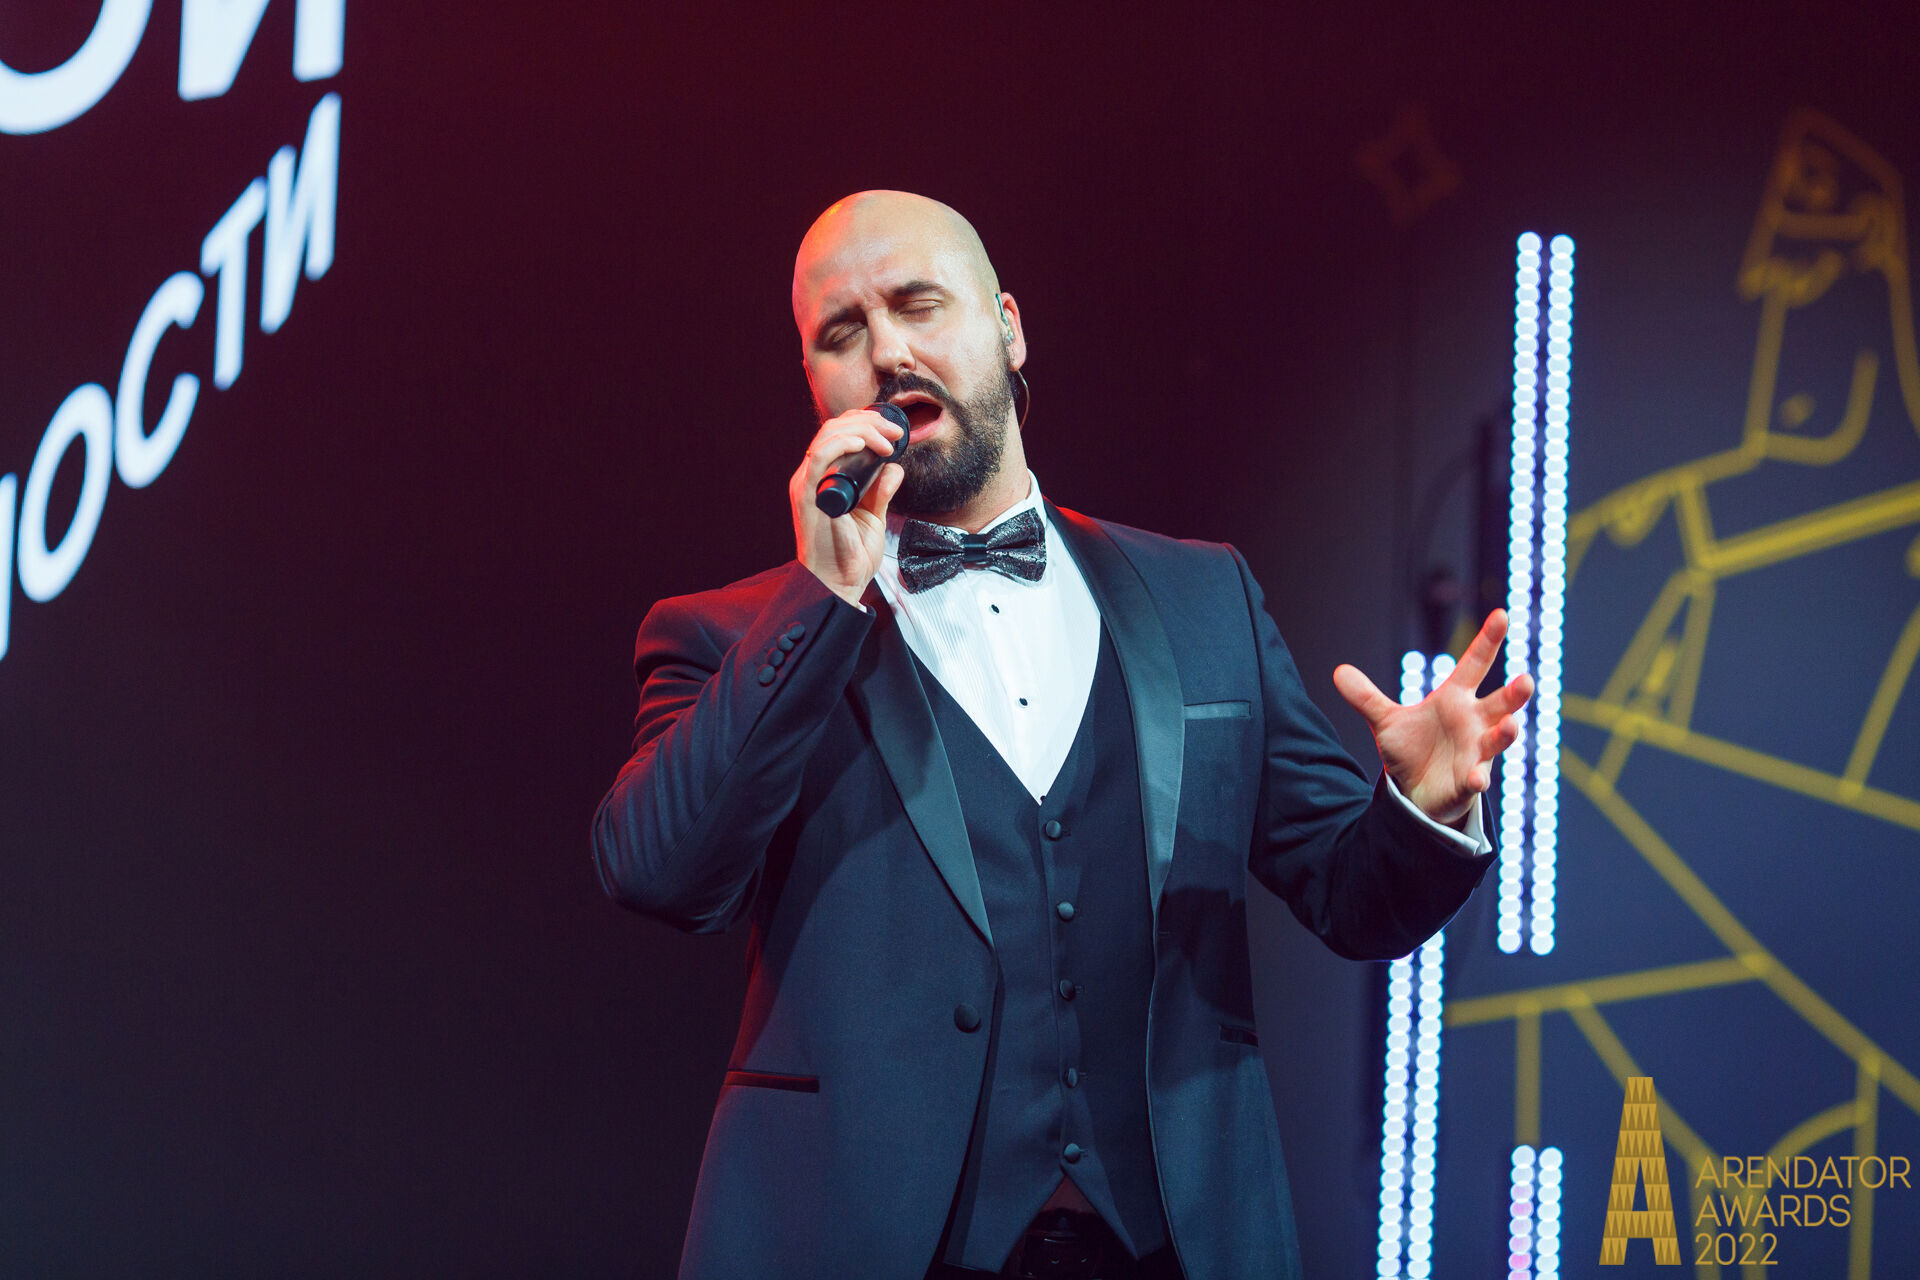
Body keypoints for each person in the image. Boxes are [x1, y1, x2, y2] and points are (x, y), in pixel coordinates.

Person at [591, 191, 1532, 1280]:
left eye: (918, 305)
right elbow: (661, 871)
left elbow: (1354, 896)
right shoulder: (730, 634)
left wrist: (1423, 806)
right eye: (842, 333)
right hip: (861, 1238)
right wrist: (821, 601)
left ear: (1008, 327)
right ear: (813, 383)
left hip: (1173, 1243)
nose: (888, 352)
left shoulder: (1202, 597)